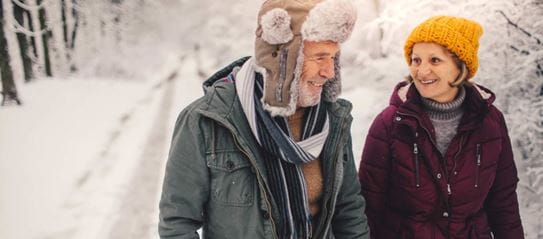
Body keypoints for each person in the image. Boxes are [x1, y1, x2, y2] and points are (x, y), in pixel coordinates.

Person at [159, 0, 370, 238]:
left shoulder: (333, 120)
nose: (329, 72)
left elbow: (348, 211)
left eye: (333, 58)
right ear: (283, 58)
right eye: (320, 57)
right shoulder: (208, 121)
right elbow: (177, 224)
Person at [358, 16, 524, 238]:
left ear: (460, 67)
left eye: (435, 60)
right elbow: (369, 206)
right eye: (416, 60)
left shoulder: (490, 122)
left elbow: (503, 203)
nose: (422, 71)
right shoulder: (390, 124)